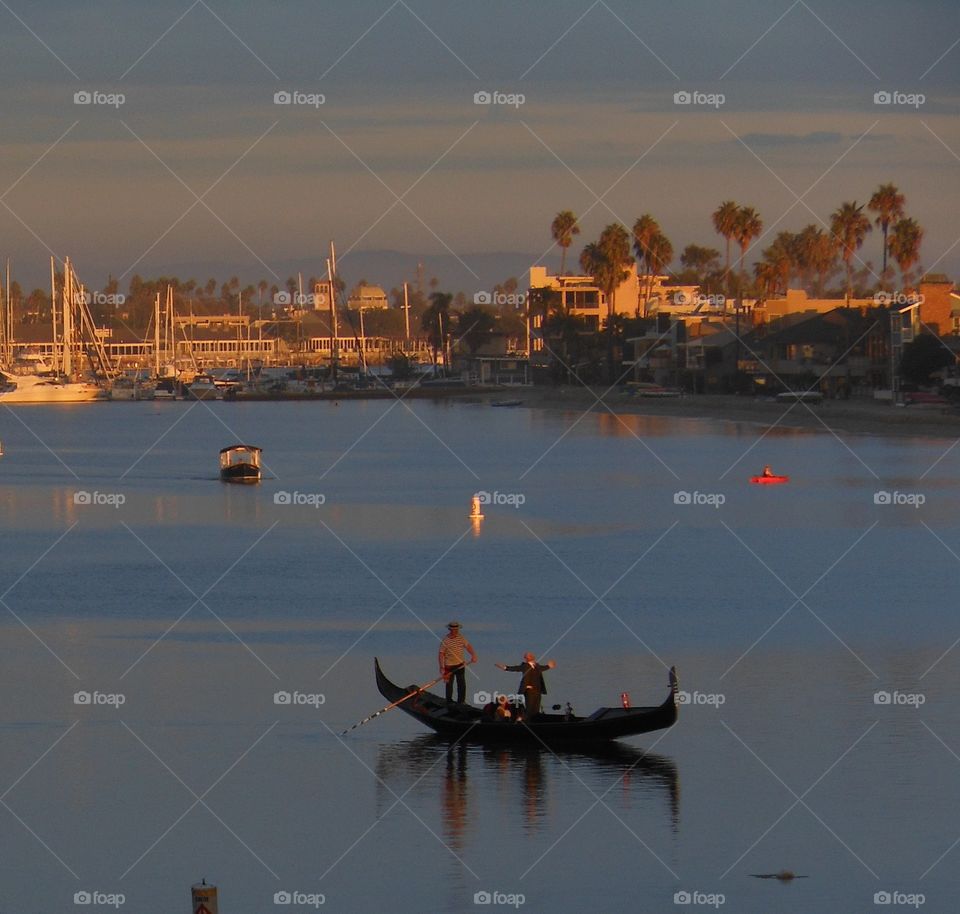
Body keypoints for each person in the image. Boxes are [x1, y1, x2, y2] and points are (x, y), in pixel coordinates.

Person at [495, 652, 556, 717]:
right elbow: (515, 668)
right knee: (529, 708)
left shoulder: (537, 666)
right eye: (528, 656)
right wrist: (505, 668)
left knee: (536, 708)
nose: (531, 656)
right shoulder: (525, 666)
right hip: (529, 691)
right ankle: (528, 719)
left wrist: (549, 666)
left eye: (531, 655)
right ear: (526, 658)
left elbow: (543, 668)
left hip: (538, 691)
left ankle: (535, 719)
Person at [438, 622, 477, 703]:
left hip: (460, 664)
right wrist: (441, 667)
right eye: (454, 630)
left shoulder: (461, 638)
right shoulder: (446, 640)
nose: (455, 631)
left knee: (461, 684)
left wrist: (473, 655)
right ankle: (449, 701)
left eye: (456, 630)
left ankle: (461, 701)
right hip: (448, 665)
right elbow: (441, 654)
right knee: (449, 684)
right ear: (450, 630)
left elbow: (468, 646)